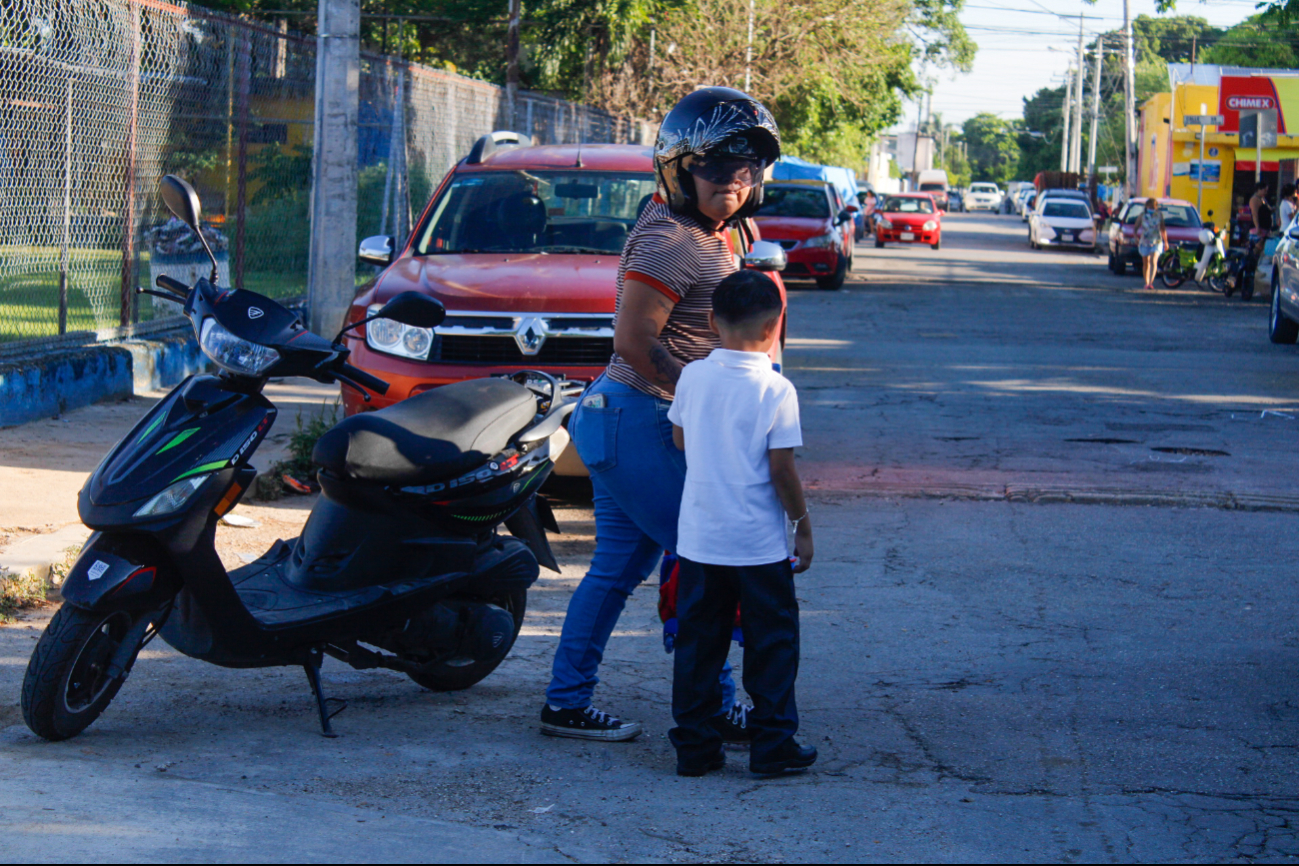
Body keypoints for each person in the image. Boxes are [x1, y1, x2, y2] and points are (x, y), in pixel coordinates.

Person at [539, 87, 781, 742]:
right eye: (716, 165)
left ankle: (565, 702)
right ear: (679, 168)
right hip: (638, 417)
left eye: (748, 166)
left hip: (629, 420)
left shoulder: (707, 232)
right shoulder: (673, 241)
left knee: (617, 569)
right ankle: (714, 707)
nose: (734, 179)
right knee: (708, 560)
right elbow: (633, 343)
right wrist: (704, 401)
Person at [667, 269, 816, 778]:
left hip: (701, 540)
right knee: (771, 644)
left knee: (698, 645)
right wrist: (803, 525)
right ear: (776, 329)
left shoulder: (691, 376)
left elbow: (681, 443)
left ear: (711, 321)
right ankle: (773, 745)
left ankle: (695, 748)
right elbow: (782, 469)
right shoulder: (777, 389)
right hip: (758, 546)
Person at [1136, 198, 1167, 291]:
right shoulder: (1142, 216)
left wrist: (1166, 242)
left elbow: (1163, 229)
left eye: (1153, 207)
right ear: (1146, 206)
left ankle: (1150, 283)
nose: (1152, 208)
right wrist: (1135, 237)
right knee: (1146, 262)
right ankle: (1146, 282)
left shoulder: (1159, 215)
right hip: (1145, 241)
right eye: (1150, 206)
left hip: (1156, 240)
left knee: (1154, 260)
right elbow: (1136, 227)